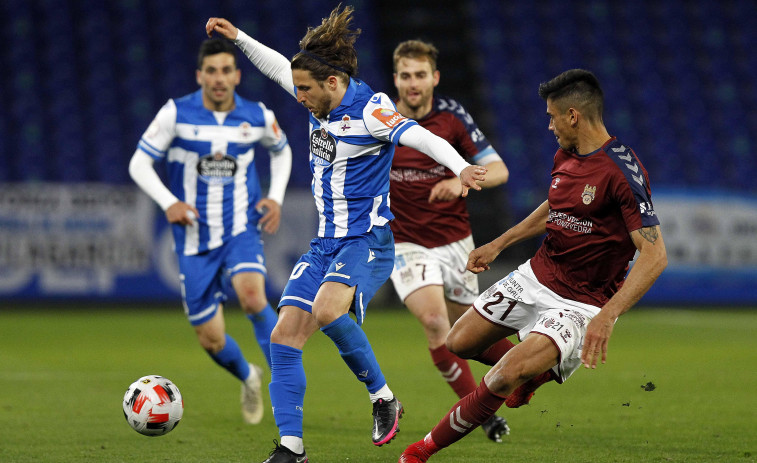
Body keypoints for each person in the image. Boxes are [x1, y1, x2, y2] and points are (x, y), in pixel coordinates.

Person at [206, 6, 487, 463]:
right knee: (284, 337)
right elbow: (280, 66)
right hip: (326, 243)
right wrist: (238, 37)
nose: (298, 97)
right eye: (297, 88)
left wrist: (460, 166)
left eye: (305, 90)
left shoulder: (371, 109)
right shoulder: (318, 90)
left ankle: (383, 397)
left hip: (368, 242)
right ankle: (292, 449)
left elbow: (422, 138)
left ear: (332, 84)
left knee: (328, 309)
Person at [399, 69, 668, 462]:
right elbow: (555, 206)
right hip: (536, 275)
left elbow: (655, 255)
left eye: (552, 116)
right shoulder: (567, 155)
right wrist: (499, 243)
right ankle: (535, 374)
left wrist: (607, 317)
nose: (549, 125)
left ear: (573, 115)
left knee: (504, 374)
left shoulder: (622, 173)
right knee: (458, 342)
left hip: (582, 303)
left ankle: (419, 452)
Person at [129, 38, 292, 426]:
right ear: (200, 75)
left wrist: (276, 197)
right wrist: (169, 202)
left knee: (253, 297)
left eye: (226, 71)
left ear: (237, 75)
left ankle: (284, 386)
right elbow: (139, 163)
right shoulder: (176, 114)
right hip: (193, 239)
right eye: (211, 71)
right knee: (212, 339)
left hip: (241, 228)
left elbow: (282, 150)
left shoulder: (256, 115)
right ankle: (248, 376)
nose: (219, 79)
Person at [388, 40, 515, 443]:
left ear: (434, 78)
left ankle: (526, 370)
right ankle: (481, 412)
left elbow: (498, 170)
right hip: (405, 241)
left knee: (469, 335)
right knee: (434, 322)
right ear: (395, 79)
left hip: (455, 241)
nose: (412, 83)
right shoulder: (380, 119)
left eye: (420, 75)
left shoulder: (453, 118)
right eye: (405, 75)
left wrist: (459, 178)